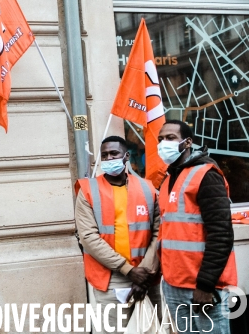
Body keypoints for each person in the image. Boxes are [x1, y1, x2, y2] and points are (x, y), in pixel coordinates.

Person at [157, 120, 237, 333]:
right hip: (174, 284)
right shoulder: (168, 180)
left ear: (188, 142)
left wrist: (205, 285)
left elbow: (221, 234)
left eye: (170, 138)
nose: (163, 143)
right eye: (161, 139)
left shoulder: (206, 175)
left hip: (202, 287)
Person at [75, 135, 161, 331]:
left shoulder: (147, 188)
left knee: (151, 328)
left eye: (114, 153)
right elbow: (88, 238)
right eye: (104, 155)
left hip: (147, 274)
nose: (109, 158)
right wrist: (128, 271)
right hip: (111, 277)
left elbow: (159, 233)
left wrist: (144, 273)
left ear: (126, 156)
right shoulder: (88, 190)